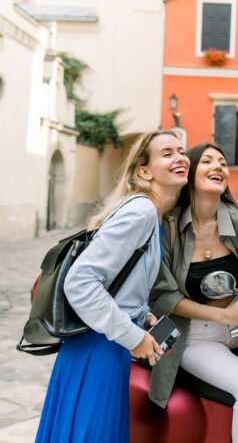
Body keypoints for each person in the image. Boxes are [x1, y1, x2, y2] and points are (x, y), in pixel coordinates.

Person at [35, 130, 190, 443]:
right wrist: (133, 337)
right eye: (167, 153)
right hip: (99, 347)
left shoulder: (151, 212)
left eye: (181, 150)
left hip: (101, 342)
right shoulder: (142, 211)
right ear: (143, 171)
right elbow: (80, 282)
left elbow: (122, 279)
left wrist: (143, 315)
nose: (180, 158)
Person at [149, 142, 238, 443]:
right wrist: (222, 314)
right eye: (207, 161)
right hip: (193, 334)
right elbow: (163, 297)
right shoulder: (168, 226)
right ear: (190, 172)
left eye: (223, 162)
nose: (218, 166)